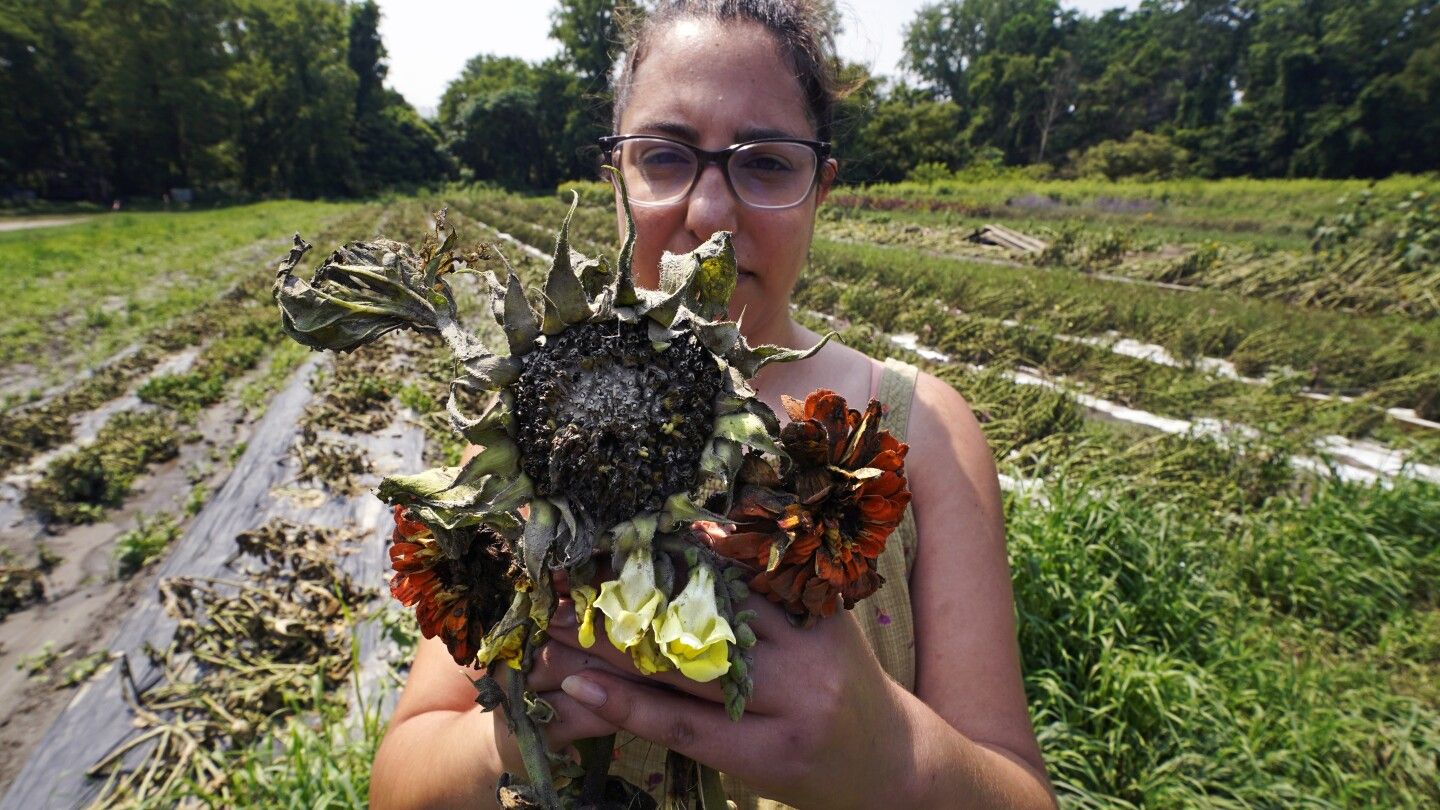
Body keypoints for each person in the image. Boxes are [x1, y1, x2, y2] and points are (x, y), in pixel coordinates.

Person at [371, 2, 1054, 808]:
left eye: (765, 164)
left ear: (820, 188)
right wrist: (533, 727)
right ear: (614, 177)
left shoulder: (921, 436)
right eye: (664, 157)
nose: (711, 218)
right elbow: (401, 782)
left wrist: (895, 759)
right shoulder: (530, 428)